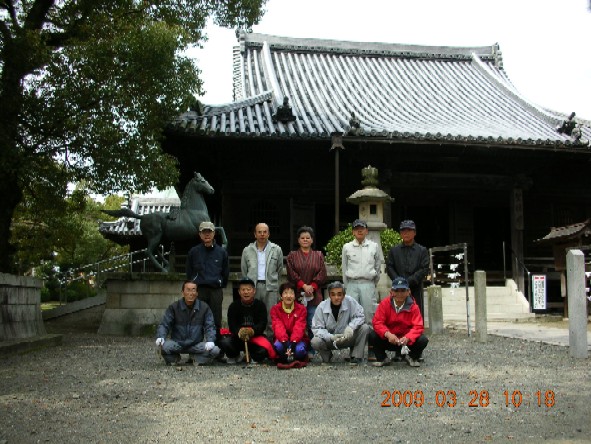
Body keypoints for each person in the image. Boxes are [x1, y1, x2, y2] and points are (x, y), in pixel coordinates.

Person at [155, 281, 220, 365]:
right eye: (188, 290)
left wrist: (210, 340)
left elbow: (210, 326)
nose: (191, 293)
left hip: (196, 344)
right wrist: (161, 336)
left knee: (215, 350)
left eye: (193, 290)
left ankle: (197, 359)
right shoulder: (174, 307)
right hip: (177, 343)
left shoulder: (204, 307)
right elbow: (165, 324)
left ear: (197, 293)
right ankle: (174, 359)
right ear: (183, 293)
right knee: (163, 346)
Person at [186, 221, 229, 346]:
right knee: (196, 320)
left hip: (215, 289)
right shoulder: (194, 252)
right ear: (200, 234)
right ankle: (195, 349)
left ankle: (216, 350)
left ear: (214, 233)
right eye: (204, 232)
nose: (207, 235)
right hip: (198, 290)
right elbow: (189, 272)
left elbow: (225, 272)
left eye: (209, 232)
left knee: (216, 321)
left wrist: (221, 284)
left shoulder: (221, 252)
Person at [369, 277, 429, 367]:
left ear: (408, 292)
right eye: (397, 291)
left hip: (406, 341)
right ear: (391, 292)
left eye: (403, 290)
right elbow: (377, 322)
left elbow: (418, 326)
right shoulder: (384, 304)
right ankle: (382, 358)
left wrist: (408, 337)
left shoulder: (414, 307)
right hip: (390, 339)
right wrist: (388, 334)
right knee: (372, 335)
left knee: (423, 340)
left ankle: (412, 357)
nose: (400, 294)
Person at [219, 277, 277, 364]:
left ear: (254, 291)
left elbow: (262, 324)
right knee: (225, 342)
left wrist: (252, 331)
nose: (246, 292)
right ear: (239, 292)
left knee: (264, 349)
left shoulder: (260, 305)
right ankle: (236, 355)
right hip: (238, 338)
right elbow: (232, 325)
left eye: (248, 289)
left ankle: (252, 356)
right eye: (243, 290)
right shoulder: (233, 306)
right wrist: (240, 331)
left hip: (255, 338)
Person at [311, 281, 370, 365]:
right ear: (329, 295)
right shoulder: (321, 306)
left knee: (365, 328)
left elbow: (360, 316)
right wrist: (331, 337)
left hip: (347, 337)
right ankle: (327, 356)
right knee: (315, 341)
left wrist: (351, 328)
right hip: (331, 340)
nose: (336, 297)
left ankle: (356, 356)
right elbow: (317, 328)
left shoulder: (350, 301)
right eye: (333, 294)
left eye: (339, 294)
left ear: (344, 295)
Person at [241, 222, 284, 337]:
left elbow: (279, 270)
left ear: (269, 234)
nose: (262, 234)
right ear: (255, 234)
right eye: (259, 232)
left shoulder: (276, 249)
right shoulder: (247, 250)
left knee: (271, 318)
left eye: (265, 232)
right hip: (253, 288)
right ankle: (255, 345)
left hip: (270, 287)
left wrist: (273, 281)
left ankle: (270, 345)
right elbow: (244, 270)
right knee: (253, 317)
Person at [286, 226, 327, 342]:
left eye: (308, 238)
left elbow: (322, 273)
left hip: (314, 294)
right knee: (297, 323)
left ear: (312, 240)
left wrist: (312, 286)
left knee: (313, 322)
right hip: (297, 294)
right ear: (298, 240)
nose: (305, 240)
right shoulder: (292, 256)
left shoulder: (318, 255)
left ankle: (313, 349)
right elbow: (291, 273)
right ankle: (298, 347)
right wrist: (303, 285)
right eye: (302, 238)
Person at [341, 219, 382, 324]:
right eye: (356, 229)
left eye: (362, 229)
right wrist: (347, 286)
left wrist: (373, 283)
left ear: (366, 231)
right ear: (353, 232)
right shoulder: (347, 247)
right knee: (351, 314)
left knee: (369, 314)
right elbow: (344, 267)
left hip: (368, 283)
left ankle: (369, 339)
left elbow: (377, 267)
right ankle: (353, 339)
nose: (359, 231)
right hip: (352, 284)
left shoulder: (374, 246)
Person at [386, 219, 429, 317]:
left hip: (415, 288)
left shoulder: (422, 251)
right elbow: (389, 267)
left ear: (414, 233)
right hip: (398, 289)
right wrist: (399, 282)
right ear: (400, 234)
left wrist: (408, 282)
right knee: (397, 314)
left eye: (409, 231)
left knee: (416, 313)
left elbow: (424, 269)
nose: (406, 233)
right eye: (403, 231)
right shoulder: (394, 250)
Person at [270, 282, 308, 368]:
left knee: (299, 351)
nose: (288, 296)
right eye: (285, 293)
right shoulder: (275, 309)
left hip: (297, 340)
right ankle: (288, 356)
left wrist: (293, 343)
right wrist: (284, 343)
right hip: (282, 339)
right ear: (281, 296)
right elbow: (278, 326)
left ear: (295, 296)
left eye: (291, 293)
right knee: (279, 347)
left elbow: (299, 326)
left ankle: (291, 356)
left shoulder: (301, 309)